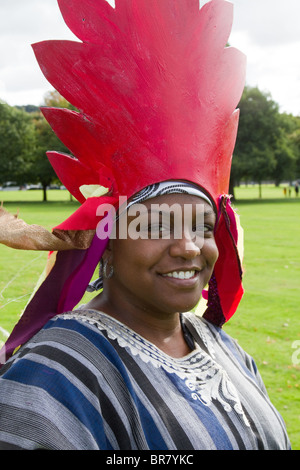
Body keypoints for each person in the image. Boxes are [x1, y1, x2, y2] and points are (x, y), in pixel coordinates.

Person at [0, 0, 290, 450]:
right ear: (107, 242)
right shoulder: (54, 375)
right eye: (157, 225)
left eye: (202, 225)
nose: (189, 247)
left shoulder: (225, 350)